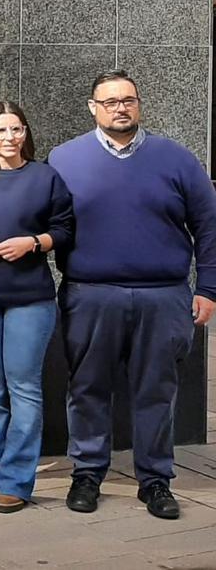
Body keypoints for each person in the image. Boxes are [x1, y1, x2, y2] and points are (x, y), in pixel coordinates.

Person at [49, 70, 216, 520]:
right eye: (110, 101)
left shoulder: (176, 159)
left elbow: (208, 225)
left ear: (138, 104)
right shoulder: (64, 159)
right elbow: (49, 224)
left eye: (128, 100)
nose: (120, 108)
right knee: (87, 388)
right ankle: (86, 474)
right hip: (90, 294)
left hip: (162, 296)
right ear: (93, 107)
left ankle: (155, 480)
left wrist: (209, 288)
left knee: (156, 391)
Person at [0, 101, 73, 513]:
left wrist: (33, 242)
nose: (9, 137)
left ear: (26, 132)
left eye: (17, 129)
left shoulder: (45, 177)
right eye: (1, 130)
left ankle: (17, 480)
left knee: (24, 388)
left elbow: (64, 228)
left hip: (31, 297)